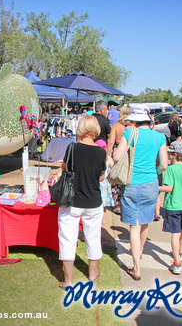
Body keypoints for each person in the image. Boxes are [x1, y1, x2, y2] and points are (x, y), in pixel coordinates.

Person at [113, 106, 168, 281]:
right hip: (151, 183)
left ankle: (136, 268)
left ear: (134, 121)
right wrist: (155, 171)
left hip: (132, 183)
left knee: (134, 227)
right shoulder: (160, 137)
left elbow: (116, 156)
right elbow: (164, 165)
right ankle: (140, 252)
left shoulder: (130, 133)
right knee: (145, 222)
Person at [57, 115, 106, 289]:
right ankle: (92, 274)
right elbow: (101, 176)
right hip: (93, 201)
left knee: (67, 239)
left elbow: (64, 168)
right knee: (93, 237)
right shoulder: (101, 152)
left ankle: (68, 280)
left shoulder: (72, 148)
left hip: (71, 201)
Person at [159, 141, 182, 275]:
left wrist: (155, 188)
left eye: (170, 152)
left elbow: (169, 187)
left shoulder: (171, 169)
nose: (168, 154)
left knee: (174, 234)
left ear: (175, 155)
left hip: (173, 205)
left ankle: (177, 263)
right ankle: (180, 252)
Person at [107, 105, 132, 215]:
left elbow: (111, 142)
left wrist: (108, 155)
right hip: (129, 152)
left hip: (118, 150)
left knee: (116, 177)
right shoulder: (133, 128)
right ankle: (127, 204)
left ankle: (118, 204)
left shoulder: (116, 126)